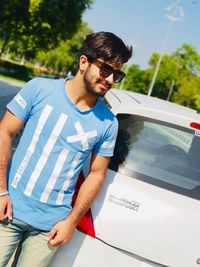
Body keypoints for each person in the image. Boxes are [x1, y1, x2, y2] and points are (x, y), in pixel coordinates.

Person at [0, 31, 132, 267]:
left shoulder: (108, 124)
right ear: (84, 62)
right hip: (7, 211)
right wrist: (0, 190)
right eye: (105, 69)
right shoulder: (39, 89)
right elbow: (5, 132)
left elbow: (97, 174)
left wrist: (71, 221)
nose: (111, 79)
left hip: (50, 229)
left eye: (117, 74)